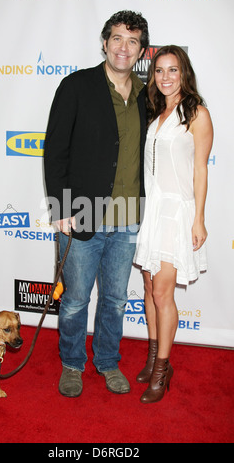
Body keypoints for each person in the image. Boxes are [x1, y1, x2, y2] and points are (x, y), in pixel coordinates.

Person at [44, 10, 149, 397]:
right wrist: (60, 209)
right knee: (74, 300)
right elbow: (54, 152)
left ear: (141, 50)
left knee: (117, 300)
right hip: (83, 213)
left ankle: (107, 361)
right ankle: (72, 363)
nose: (124, 47)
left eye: (132, 41)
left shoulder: (145, 94)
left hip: (128, 218)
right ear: (104, 42)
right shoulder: (76, 86)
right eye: (117, 38)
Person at [134, 45, 213, 403]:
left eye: (173, 70)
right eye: (160, 70)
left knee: (163, 293)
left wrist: (198, 218)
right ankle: (153, 359)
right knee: (150, 290)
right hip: (152, 211)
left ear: (184, 73)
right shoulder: (155, 112)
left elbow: (199, 170)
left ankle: (163, 371)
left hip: (176, 213)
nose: (165, 77)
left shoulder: (196, 113)